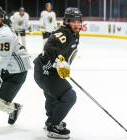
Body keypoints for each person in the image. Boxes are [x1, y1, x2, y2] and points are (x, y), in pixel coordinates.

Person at [33, 7, 82, 139]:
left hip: (48, 71)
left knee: (53, 95)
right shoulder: (64, 34)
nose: (76, 24)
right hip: (45, 71)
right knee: (70, 96)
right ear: (66, 21)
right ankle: (53, 126)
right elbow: (50, 47)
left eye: (78, 21)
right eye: (73, 21)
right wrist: (60, 62)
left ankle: (51, 120)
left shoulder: (73, 33)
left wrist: (62, 64)